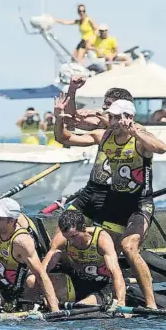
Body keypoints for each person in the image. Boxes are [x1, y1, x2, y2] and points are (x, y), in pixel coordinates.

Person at [54, 96, 166, 309]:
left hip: (140, 204)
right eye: (111, 117)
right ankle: (111, 296)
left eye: (116, 118)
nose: (112, 121)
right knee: (105, 251)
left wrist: (135, 131)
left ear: (128, 118)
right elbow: (64, 138)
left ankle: (151, 304)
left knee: (129, 247)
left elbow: (161, 148)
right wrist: (59, 117)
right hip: (116, 203)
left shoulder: (140, 139)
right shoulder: (105, 136)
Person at [55, 81, 136, 228]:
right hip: (92, 190)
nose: (104, 107)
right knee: (65, 230)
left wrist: (96, 113)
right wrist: (72, 90)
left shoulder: (135, 130)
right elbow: (69, 119)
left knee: (106, 240)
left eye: (108, 104)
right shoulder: (100, 127)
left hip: (115, 195)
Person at [40, 209, 127, 307]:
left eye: (74, 236)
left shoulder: (101, 240)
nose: (71, 242)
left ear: (84, 228)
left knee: (81, 306)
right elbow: (42, 272)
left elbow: (116, 273)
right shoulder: (61, 240)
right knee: (32, 282)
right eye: (67, 238)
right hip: (77, 282)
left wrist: (121, 302)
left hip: (103, 285)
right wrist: (48, 295)